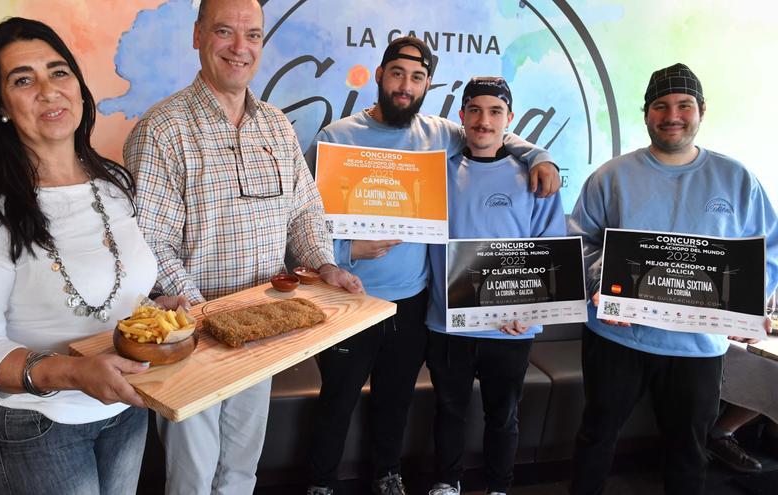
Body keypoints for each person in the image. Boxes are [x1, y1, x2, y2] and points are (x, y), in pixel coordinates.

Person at [123, 1, 362, 494]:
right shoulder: (163, 129)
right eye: (225, 32)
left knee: (240, 469)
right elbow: (150, 243)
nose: (240, 47)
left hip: (262, 331)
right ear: (197, 36)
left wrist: (323, 262)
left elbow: (303, 211)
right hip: (191, 341)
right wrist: (206, 313)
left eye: (252, 35)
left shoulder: (276, 125)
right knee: (193, 475)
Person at [303, 38, 561, 495]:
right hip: (345, 295)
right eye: (398, 74)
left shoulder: (440, 134)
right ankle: (320, 482)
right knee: (336, 400)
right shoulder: (335, 137)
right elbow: (300, 217)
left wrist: (539, 155)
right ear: (380, 75)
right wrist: (347, 252)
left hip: (410, 299)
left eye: (417, 78)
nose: (405, 86)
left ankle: (387, 474)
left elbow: (494, 135)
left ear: (427, 85)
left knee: (395, 399)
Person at [0, 17, 176, 495]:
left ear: (80, 90)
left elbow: (115, 287)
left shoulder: (114, 184)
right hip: (34, 427)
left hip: (126, 408)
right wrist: (72, 372)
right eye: (23, 79)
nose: (48, 90)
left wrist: (152, 313)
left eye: (58, 72)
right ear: (2, 106)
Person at [568, 63, 778, 495]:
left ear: (702, 110)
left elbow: (768, 252)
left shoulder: (737, 180)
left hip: (697, 346)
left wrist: (745, 306)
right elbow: (579, 242)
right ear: (646, 114)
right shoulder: (611, 176)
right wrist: (597, 283)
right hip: (617, 337)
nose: (672, 115)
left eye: (684, 105)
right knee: (596, 437)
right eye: (660, 106)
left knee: (689, 451)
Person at [426, 77, 565, 495]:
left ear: (510, 118)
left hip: (510, 327)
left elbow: (550, 250)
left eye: (495, 112)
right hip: (446, 322)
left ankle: (498, 487)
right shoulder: (436, 173)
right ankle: (447, 482)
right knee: (449, 410)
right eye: (475, 110)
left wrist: (529, 311)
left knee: (502, 415)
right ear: (461, 115)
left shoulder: (536, 178)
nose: (483, 121)